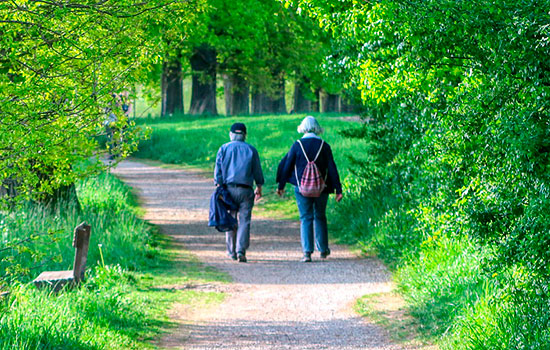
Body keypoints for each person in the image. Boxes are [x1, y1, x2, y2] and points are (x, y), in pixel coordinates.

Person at [277, 116, 343, 262]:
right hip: (322, 188)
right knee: (320, 216)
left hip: (302, 189)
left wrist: (281, 186)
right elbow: (332, 168)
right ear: (317, 128)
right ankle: (323, 249)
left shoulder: (297, 145)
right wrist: (338, 189)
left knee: (306, 217)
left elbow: (287, 165)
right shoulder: (324, 146)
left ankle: (307, 252)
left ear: (303, 127)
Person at [214, 122, 264, 263]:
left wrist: (218, 186)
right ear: (244, 135)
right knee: (245, 221)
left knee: (230, 219)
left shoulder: (223, 148)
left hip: (228, 189)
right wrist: (259, 186)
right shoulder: (251, 150)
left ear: (231, 134)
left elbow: (218, 171)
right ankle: (241, 250)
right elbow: (257, 170)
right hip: (246, 190)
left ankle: (231, 252)